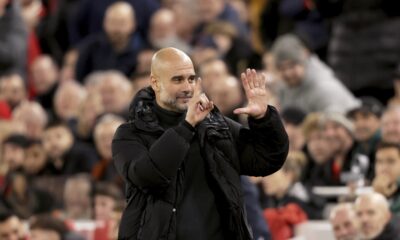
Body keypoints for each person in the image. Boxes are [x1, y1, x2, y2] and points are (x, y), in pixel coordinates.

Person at [112, 47, 289, 239]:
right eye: (177, 79)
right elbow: (148, 178)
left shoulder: (215, 126)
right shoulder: (130, 134)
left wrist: (264, 119)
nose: (187, 87)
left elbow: (265, 159)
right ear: (155, 82)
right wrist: (187, 126)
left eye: (191, 78)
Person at [270, 34, 359, 114]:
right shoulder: (284, 88)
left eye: (292, 66)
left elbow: (335, 126)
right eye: (281, 68)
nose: (287, 73)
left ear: (304, 60)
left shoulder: (324, 87)